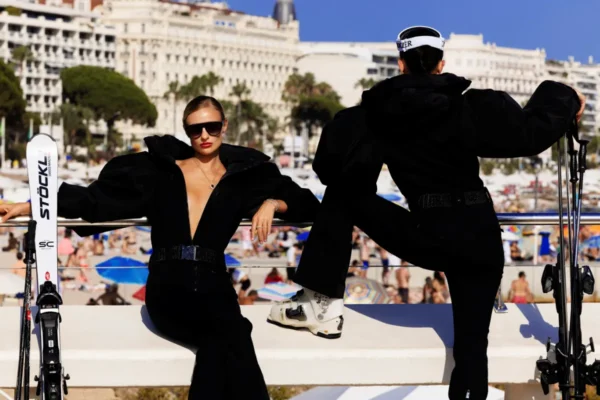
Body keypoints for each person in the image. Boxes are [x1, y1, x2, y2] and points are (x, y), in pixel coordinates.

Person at [267, 26, 585, 400]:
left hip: (430, 234)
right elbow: (528, 134)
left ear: (401, 64)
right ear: (440, 64)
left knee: (344, 193)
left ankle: (320, 301)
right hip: (480, 236)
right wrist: (564, 97)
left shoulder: (378, 114)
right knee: (471, 350)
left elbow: (334, 170)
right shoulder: (468, 106)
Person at [0, 95, 319, 400]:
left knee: (230, 335)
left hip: (216, 287)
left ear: (224, 126)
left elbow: (308, 205)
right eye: (196, 129)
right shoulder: (162, 172)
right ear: (187, 132)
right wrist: (32, 205)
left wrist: (273, 203)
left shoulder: (246, 178)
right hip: (168, 287)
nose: (204, 135)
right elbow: (97, 201)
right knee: (227, 337)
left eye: (211, 127)